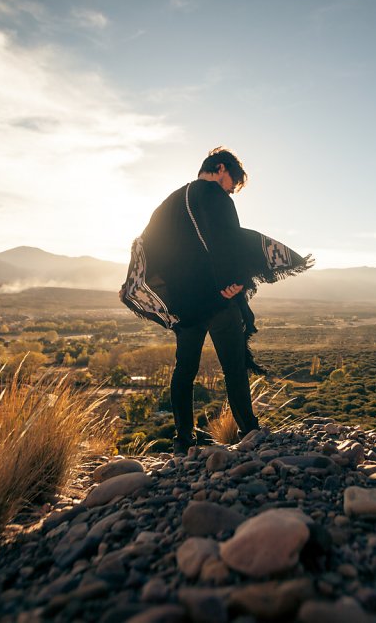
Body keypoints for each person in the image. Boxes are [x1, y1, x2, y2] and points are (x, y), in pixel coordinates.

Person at [119, 147, 312, 455]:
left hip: (185, 308)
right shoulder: (215, 196)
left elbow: (148, 247)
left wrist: (174, 294)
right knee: (233, 367)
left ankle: (183, 440)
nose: (231, 191)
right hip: (218, 302)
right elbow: (227, 240)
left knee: (184, 371)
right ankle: (250, 431)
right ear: (221, 169)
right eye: (232, 184)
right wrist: (234, 281)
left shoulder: (167, 205)